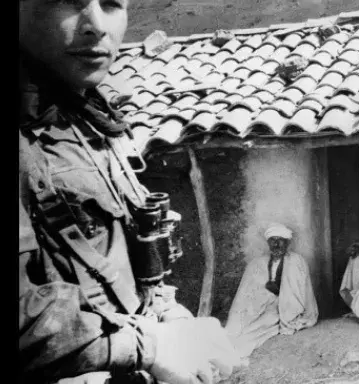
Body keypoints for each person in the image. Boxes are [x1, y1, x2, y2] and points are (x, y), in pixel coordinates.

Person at [19, 1, 240, 383]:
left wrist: (170, 318)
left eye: (111, 4)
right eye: (66, 2)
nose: (95, 25)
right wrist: (149, 346)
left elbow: (121, 256)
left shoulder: (88, 120)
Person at [225, 223, 319, 360]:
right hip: (260, 303)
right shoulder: (257, 263)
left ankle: (233, 353)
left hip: (284, 306)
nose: (276, 244)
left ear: (287, 242)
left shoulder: (296, 261)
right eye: (272, 240)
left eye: (280, 240)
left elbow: (297, 293)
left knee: (256, 330)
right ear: (268, 243)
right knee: (235, 326)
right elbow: (247, 293)